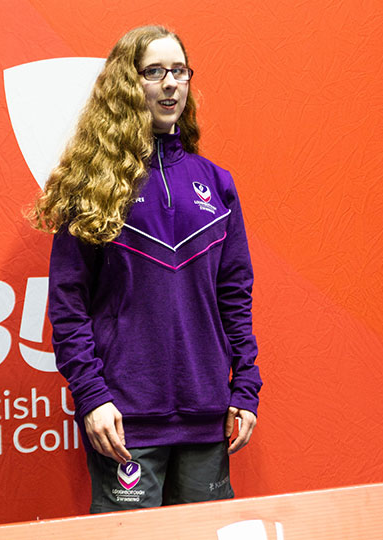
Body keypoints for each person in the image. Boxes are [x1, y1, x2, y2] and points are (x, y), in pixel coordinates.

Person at [30, 25, 261, 513]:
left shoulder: (216, 185)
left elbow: (235, 296)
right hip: (124, 423)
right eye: (154, 72)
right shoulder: (92, 185)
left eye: (179, 71)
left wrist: (245, 386)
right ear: (126, 85)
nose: (170, 83)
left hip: (207, 419)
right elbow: (67, 308)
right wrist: (92, 397)